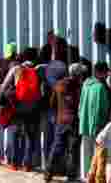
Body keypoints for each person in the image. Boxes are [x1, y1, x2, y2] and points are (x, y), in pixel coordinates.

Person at [0, 47, 45, 171]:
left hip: (18, 105)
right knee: (30, 135)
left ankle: (14, 163)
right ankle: (27, 164)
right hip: (33, 106)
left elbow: (4, 85)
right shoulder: (39, 70)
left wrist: (0, 98)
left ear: (23, 57)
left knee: (15, 132)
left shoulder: (16, 69)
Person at [45, 62, 87, 181]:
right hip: (73, 121)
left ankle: (48, 173)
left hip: (60, 120)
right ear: (78, 74)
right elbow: (78, 103)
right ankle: (71, 176)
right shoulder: (78, 86)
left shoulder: (58, 85)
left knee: (57, 147)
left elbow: (52, 102)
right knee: (73, 150)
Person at [80, 62, 111, 177]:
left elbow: (81, 104)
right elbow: (103, 108)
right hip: (96, 124)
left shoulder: (86, 84)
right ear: (102, 73)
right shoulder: (100, 87)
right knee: (97, 152)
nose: (108, 75)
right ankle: (94, 176)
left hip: (84, 122)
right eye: (107, 73)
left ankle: (86, 174)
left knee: (86, 149)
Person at [41, 39, 70, 170]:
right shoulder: (63, 67)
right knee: (58, 139)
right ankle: (57, 167)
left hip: (49, 105)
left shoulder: (48, 67)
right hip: (59, 107)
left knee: (50, 136)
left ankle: (48, 164)